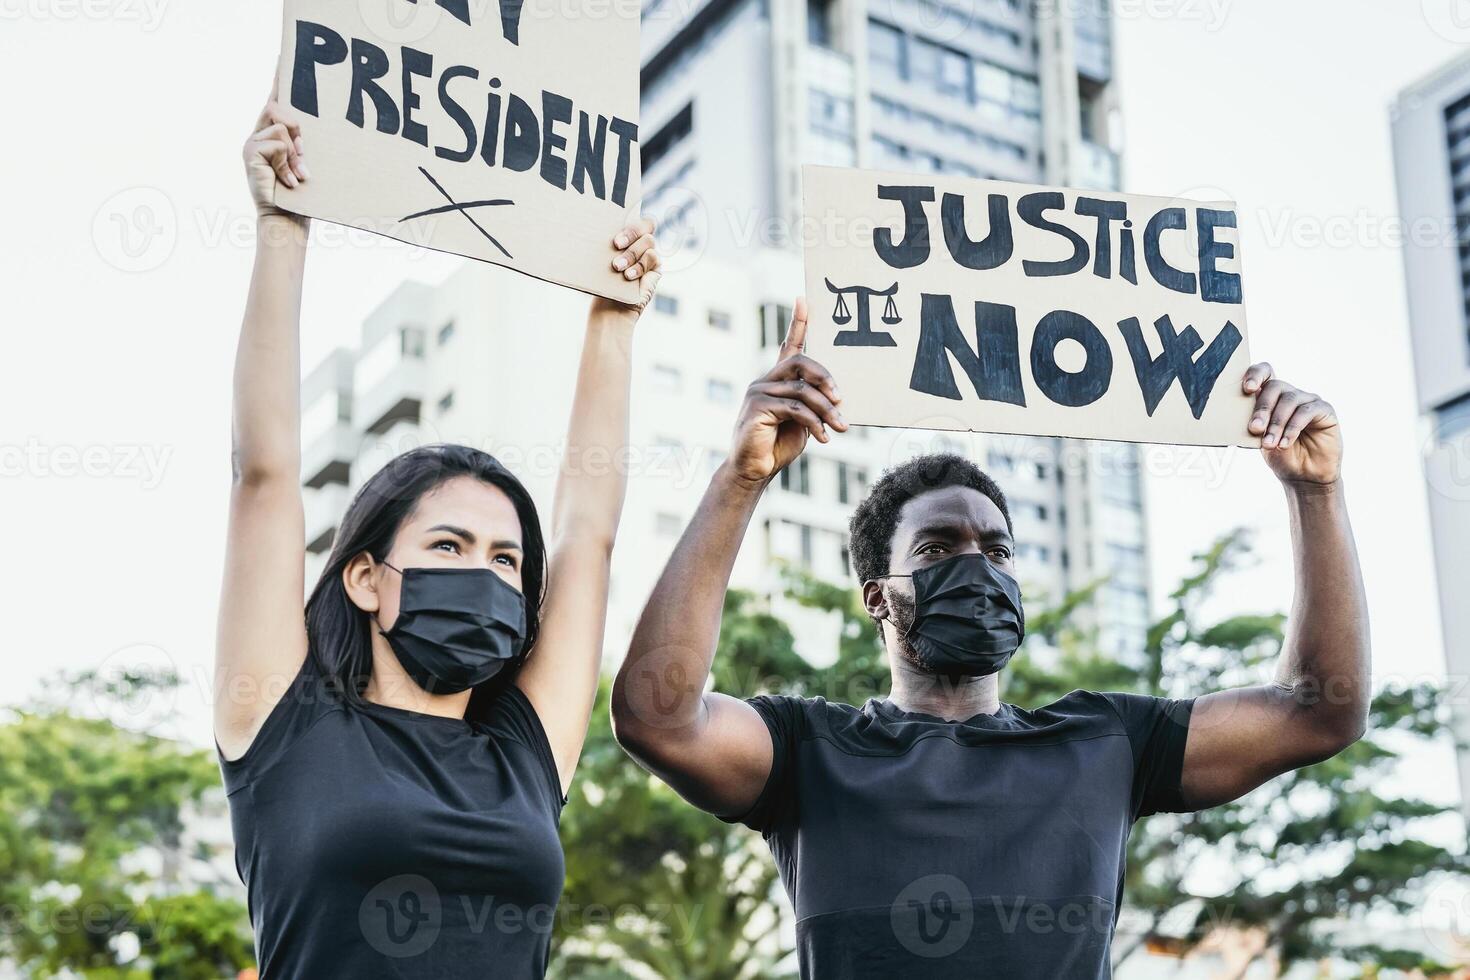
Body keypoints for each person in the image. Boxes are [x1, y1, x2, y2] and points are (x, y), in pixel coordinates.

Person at [611, 299, 1369, 978]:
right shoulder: (809, 751)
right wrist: (740, 480)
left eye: (997, 550)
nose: (977, 565)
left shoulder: (1105, 741)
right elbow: (657, 716)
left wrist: (1315, 490)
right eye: (939, 549)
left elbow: (1318, 710)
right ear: (877, 596)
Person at [213, 80, 659, 978]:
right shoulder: (283, 723)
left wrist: (613, 319)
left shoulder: (526, 753)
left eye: (505, 560)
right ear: (366, 579)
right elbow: (263, 476)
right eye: (449, 547)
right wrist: (282, 222)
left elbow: (587, 536)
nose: (485, 576)